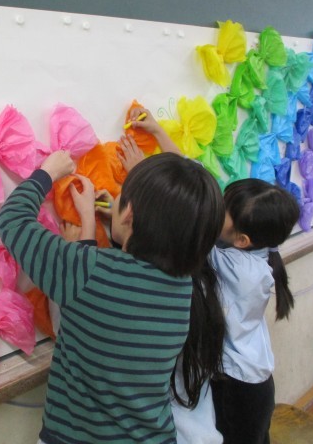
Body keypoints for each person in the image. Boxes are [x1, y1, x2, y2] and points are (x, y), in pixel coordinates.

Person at [0, 149, 224, 444]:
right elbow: (115, 290)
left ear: (129, 215)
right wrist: (93, 225)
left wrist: (48, 172)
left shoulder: (87, 271)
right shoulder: (183, 287)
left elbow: (12, 219)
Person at [110, 107, 226, 444]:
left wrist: (86, 233)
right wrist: (158, 135)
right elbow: (197, 203)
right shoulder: (197, 269)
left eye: (123, 196)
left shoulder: (134, 295)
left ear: (132, 217)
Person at [209, 178, 300, 444]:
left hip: (235, 385)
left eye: (223, 208)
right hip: (254, 380)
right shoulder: (259, 251)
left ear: (242, 240)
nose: (215, 208)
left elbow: (190, 233)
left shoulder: (236, 268)